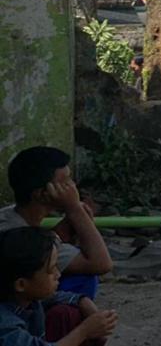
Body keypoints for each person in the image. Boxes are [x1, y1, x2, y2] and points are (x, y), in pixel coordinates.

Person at [0, 147, 112, 301]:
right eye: (65, 181)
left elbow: (50, 241)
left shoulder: (9, 216)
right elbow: (102, 264)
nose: (73, 187)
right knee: (84, 278)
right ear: (41, 193)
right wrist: (74, 209)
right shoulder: (18, 235)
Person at [0, 228, 118, 346]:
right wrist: (84, 331)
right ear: (21, 284)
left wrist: (83, 301)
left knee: (67, 313)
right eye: (51, 269)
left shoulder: (26, 300)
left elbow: (56, 297)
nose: (58, 274)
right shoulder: (5, 324)